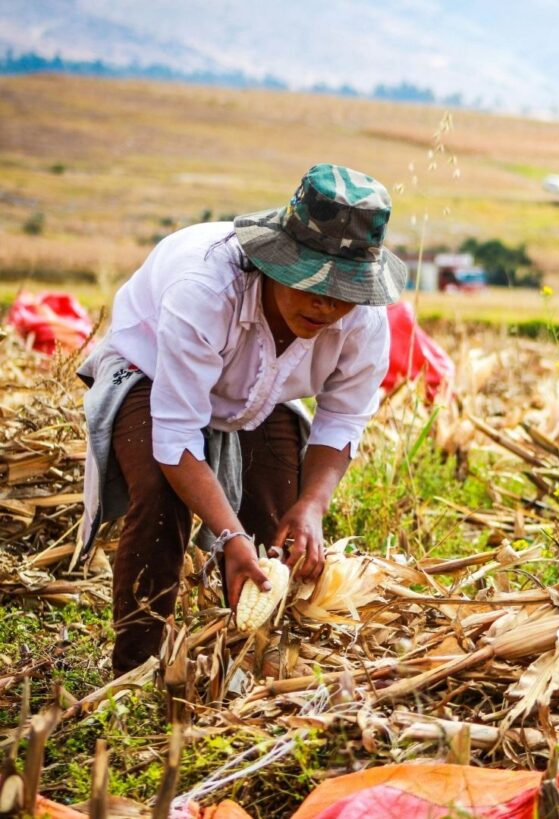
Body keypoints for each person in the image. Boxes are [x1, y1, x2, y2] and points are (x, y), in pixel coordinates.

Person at [77, 164, 407, 673]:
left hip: (263, 391)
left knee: (280, 521)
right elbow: (177, 435)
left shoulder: (363, 321)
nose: (325, 305)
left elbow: (341, 420)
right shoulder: (206, 289)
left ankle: (250, 664)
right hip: (151, 371)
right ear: (275, 262)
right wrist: (228, 537)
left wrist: (312, 506)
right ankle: (133, 669)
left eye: (343, 292)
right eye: (311, 283)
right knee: (163, 496)